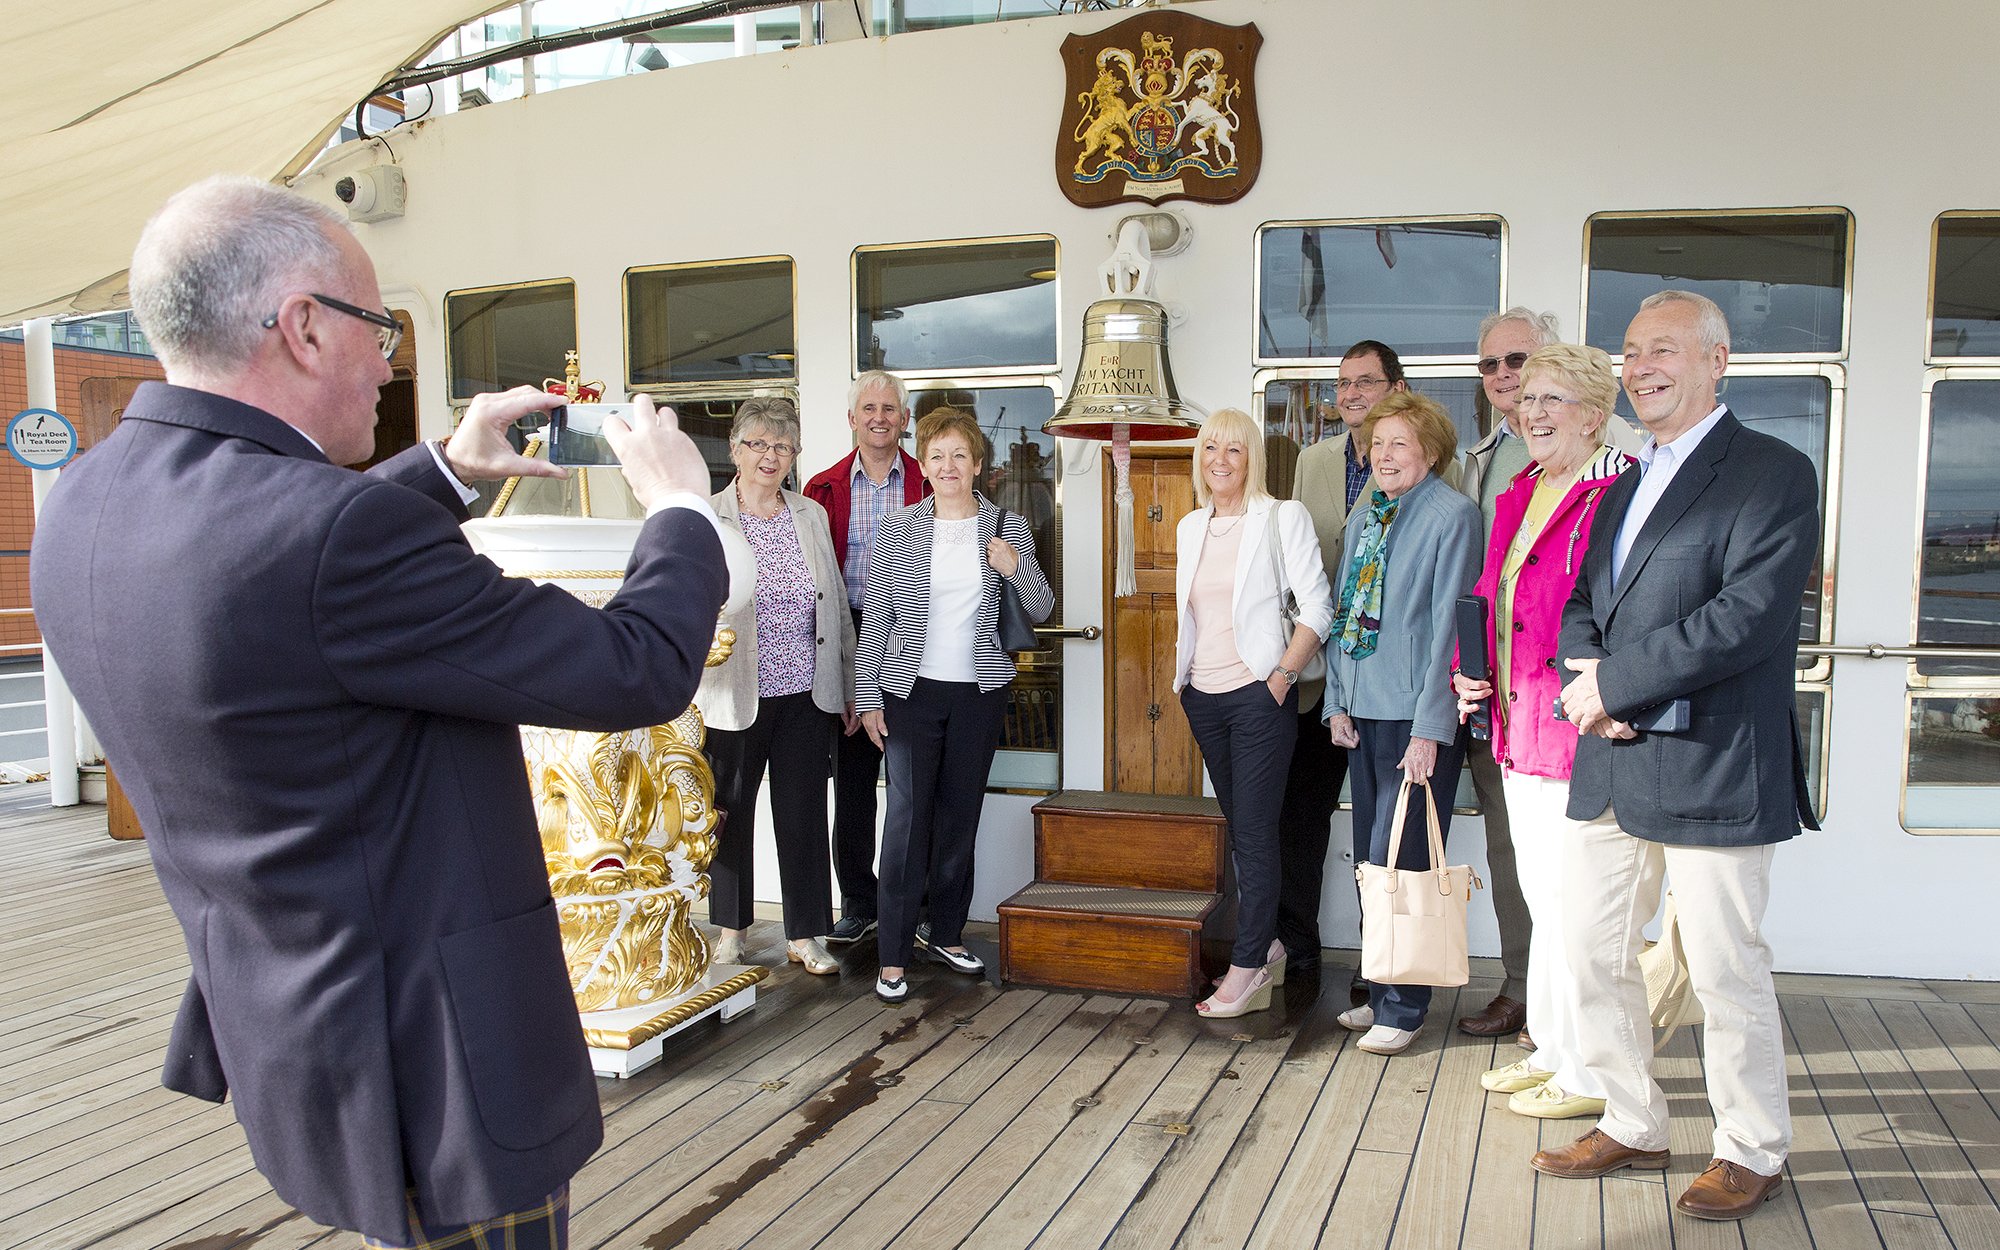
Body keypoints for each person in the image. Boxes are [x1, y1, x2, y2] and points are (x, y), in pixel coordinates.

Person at [27, 177, 726, 1249]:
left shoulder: (86, 499)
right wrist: (680, 504)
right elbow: (632, 667)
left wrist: (445, 465)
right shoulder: (328, 537)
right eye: (379, 325)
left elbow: (267, 566)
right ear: (303, 326)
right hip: (437, 1069)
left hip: (294, 1032)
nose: (391, 359)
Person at [1531, 291, 1819, 1223]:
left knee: (1726, 967)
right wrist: (1595, 683)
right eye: (1631, 351)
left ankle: (1751, 1146)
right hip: (1614, 760)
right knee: (1588, 949)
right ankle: (1632, 1117)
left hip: (1714, 758)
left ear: (1716, 360)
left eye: (1663, 349)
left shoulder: (1773, 472)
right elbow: (1585, 599)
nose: (1641, 366)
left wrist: (1616, 687)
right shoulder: (1620, 483)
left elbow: (1746, 617)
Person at [1449, 344, 1631, 1121]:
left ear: (1595, 415)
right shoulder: (1521, 489)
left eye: (1554, 400)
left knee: (1577, 912)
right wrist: (1468, 669)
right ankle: (1553, 1049)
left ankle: (1592, 1073)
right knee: (1544, 899)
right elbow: (1489, 592)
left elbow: (1619, 613)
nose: (1535, 413)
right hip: (1516, 726)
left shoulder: (1616, 490)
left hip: (1575, 729)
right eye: (1530, 401)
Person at [854, 407, 1052, 1004]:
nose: (948, 467)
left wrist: (1014, 570)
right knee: (907, 823)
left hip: (979, 694)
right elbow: (875, 618)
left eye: (959, 456)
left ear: (978, 465)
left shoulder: (1008, 527)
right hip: (910, 693)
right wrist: (868, 700)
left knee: (960, 817)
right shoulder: (899, 528)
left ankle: (945, 931)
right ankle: (891, 955)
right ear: (924, 463)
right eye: (937, 456)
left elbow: (1040, 609)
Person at [1323, 392, 1481, 1055]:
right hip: (1364, 710)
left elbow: (1450, 625)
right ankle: (1381, 981)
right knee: (1373, 859)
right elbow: (1341, 612)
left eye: (1399, 444)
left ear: (1433, 452)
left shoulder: (1454, 516)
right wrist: (1336, 700)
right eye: (1377, 444)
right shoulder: (1370, 515)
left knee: (1407, 858)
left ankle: (1406, 1006)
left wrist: (1428, 730)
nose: (1384, 456)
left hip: (1416, 718)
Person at [1174, 407, 1333, 1018]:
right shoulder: (1191, 526)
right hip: (1203, 696)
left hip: (1257, 696)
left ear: (1253, 459)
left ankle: (1247, 967)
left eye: (1234, 449)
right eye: (1210, 447)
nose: (1220, 459)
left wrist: (1281, 676)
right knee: (1241, 827)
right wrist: (1185, 681)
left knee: (1258, 834)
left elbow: (1318, 606)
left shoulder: (1280, 517)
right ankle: (1263, 946)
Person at [698, 397, 854, 976]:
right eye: (758, 445)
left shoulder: (809, 514)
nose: (770, 456)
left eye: (782, 446)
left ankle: (806, 933)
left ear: (794, 456)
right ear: (735, 450)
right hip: (733, 691)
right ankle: (731, 929)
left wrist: (847, 688)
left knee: (803, 813)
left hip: (805, 694)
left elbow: (834, 602)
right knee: (729, 810)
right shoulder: (708, 517)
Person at [1283, 341, 1406, 985]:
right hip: (1315, 678)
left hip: (1383, 679)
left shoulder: (1414, 462)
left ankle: (1379, 964)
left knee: (1382, 830)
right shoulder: (1314, 461)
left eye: (1366, 382)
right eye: (1344, 383)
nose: (1352, 393)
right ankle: (1296, 951)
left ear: (1395, 387)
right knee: (1300, 820)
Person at [1449, 307, 1554, 1042]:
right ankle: (1523, 986)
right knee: (1507, 847)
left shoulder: (1587, 456)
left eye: (1517, 360)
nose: (1503, 376)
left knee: (1560, 856)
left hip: (1550, 694)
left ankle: (1555, 1002)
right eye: (1489, 365)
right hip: (1486, 690)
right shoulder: (1475, 459)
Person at [803, 371, 931, 947]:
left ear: (904, 419)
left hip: (915, 635)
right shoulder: (820, 487)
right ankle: (858, 902)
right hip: (843, 636)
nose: (879, 417)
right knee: (852, 786)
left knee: (914, 783)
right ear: (851, 419)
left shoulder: (932, 479)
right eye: (868, 408)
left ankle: (917, 903)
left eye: (890, 408)